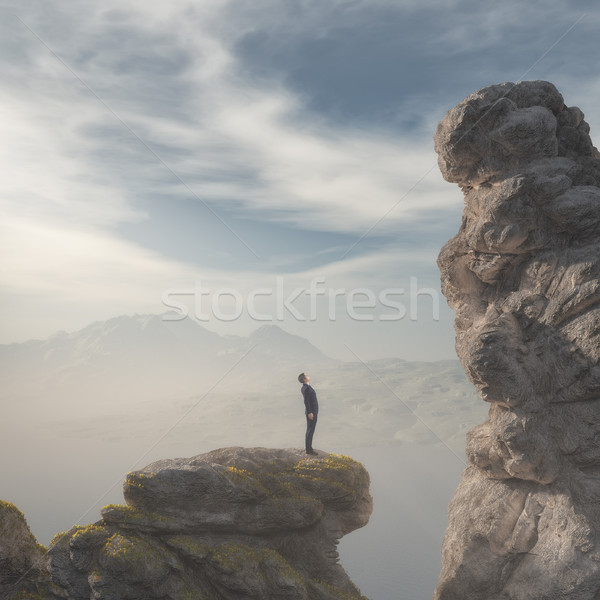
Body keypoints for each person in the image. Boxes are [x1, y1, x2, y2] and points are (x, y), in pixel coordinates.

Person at [298, 372, 318, 455]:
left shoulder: (307, 387)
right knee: (310, 430)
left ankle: (309, 447)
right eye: (307, 375)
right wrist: (310, 412)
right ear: (304, 379)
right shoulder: (306, 388)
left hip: (313, 411)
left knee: (310, 430)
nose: (308, 375)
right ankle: (309, 450)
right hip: (311, 412)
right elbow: (306, 401)